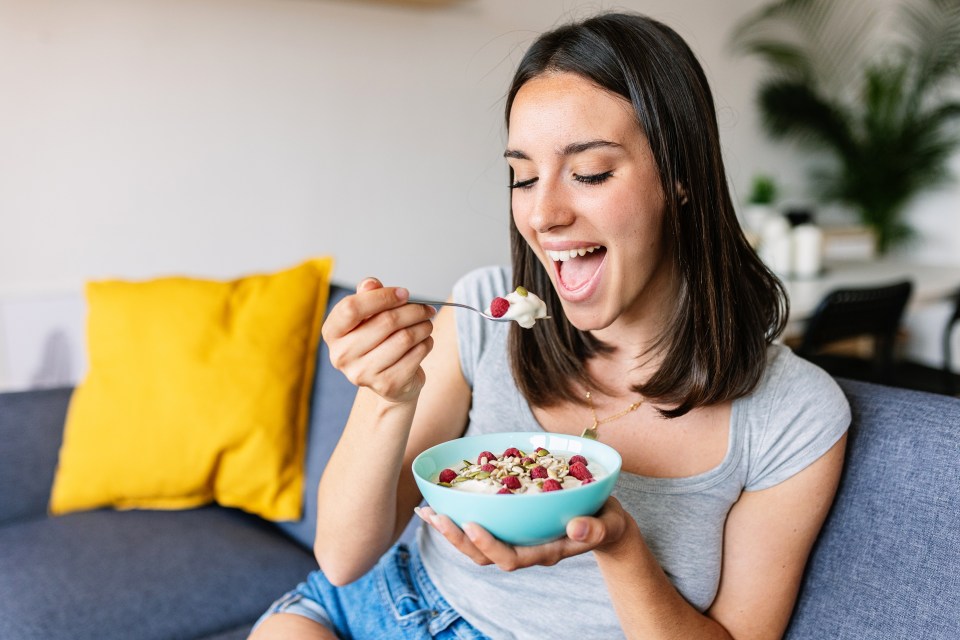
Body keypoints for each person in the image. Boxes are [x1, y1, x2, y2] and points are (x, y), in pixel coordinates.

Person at [250, 11, 850, 640]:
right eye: (523, 176)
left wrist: (616, 541)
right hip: (377, 604)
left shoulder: (795, 413)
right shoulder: (485, 314)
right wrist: (387, 396)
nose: (541, 215)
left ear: (682, 177)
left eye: (589, 173)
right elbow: (343, 561)